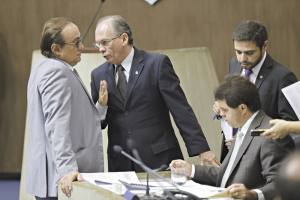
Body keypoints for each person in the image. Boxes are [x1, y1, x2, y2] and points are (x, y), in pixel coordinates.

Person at [90, 15, 217, 172]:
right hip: (121, 165)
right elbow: (96, 124)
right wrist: (101, 106)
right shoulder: (98, 75)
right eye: (98, 44)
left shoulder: (156, 64)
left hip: (160, 159)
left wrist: (202, 150)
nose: (101, 48)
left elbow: (181, 110)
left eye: (104, 42)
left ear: (123, 39)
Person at [170, 76, 294, 200]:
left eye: (225, 110)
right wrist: (190, 169)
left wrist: (252, 194)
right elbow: (227, 175)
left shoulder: (270, 133)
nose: (221, 114)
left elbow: (280, 184)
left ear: (243, 108)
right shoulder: (243, 128)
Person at [26, 17, 107, 200]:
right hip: (63, 181)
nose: (82, 47)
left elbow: (74, 120)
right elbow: (57, 126)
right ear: (56, 49)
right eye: (76, 43)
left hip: (55, 178)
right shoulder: (56, 73)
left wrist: (101, 107)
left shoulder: (43, 68)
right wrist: (68, 171)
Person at [218, 20, 298, 161]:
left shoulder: (284, 77)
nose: (242, 58)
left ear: (264, 46)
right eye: (238, 52)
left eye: (249, 53)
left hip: (264, 158)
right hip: (232, 152)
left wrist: (246, 136)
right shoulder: (234, 64)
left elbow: (290, 128)